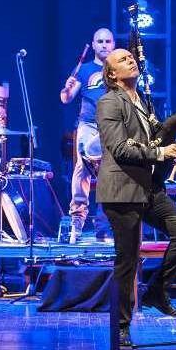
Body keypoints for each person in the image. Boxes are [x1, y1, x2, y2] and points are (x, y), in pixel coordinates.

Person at [96, 48, 176, 347]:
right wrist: (162, 151)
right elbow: (121, 148)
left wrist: (174, 135)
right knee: (127, 260)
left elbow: (153, 140)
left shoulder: (142, 101)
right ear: (112, 74)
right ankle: (121, 327)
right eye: (122, 60)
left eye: (131, 58)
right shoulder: (109, 102)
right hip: (122, 191)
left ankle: (155, 292)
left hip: (148, 188)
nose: (131, 60)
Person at [60, 27, 114, 243]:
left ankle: (104, 228)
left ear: (113, 44)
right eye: (99, 41)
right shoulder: (84, 69)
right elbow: (66, 98)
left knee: (111, 175)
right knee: (82, 169)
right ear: (93, 45)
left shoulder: (118, 69)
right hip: (88, 125)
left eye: (107, 41)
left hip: (111, 127)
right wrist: (67, 88)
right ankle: (77, 223)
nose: (103, 45)